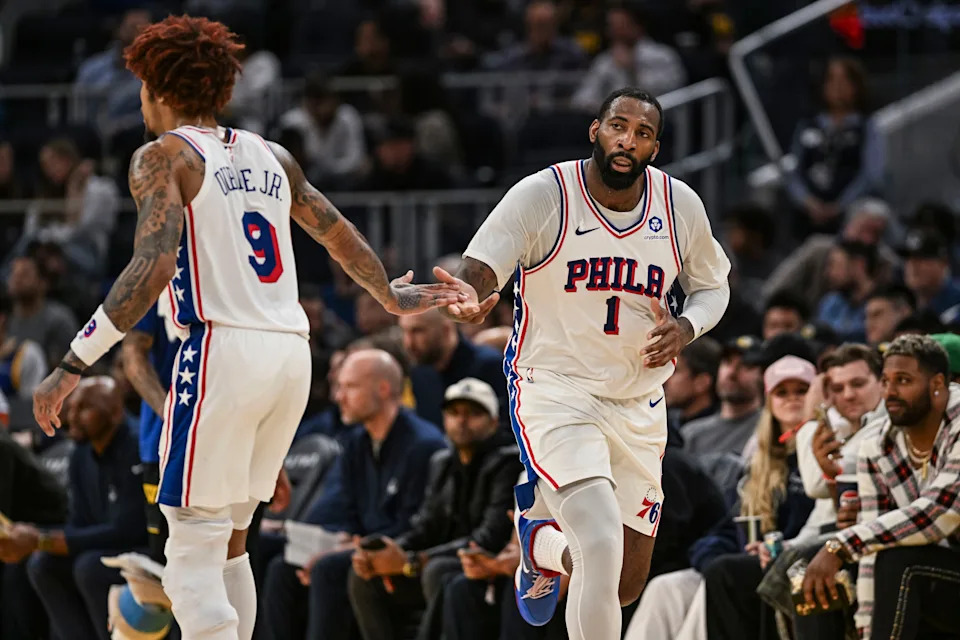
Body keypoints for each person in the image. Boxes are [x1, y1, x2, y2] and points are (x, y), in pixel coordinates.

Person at [30, 15, 463, 640]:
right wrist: (387, 296)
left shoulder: (163, 156)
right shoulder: (273, 155)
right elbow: (334, 230)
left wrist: (72, 363)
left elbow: (150, 269)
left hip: (221, 350)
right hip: (290, 355)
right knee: (231, 541)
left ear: (158, 88)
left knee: (188, 550)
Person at [433, 87, 731, 639]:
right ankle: (553, 541)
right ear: (595, 130)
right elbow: (480, 267)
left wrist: (687, 326)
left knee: (622, 581)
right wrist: (470, 299)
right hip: (555, 387)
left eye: (642, 133)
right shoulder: (545, 194)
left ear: (655, 148)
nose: (628, 140)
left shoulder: (679, 204)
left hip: (637, 399)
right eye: (619, 126)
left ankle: (541, 544)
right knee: (597, 541)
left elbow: (715, 287)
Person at [262, 349, 445, 640]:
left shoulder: (425, 446)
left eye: (350, 387)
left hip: (395, 553)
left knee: (327, 568)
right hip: (355, 545)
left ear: (383, 389)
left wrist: (351, 545)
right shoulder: (356, 442)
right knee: (280, 563)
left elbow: (418, 526)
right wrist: (327, 536)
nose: (338, 397)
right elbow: (342, 508)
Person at [803, 334, 960, 639]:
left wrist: (840, 544)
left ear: (937, 384)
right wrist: (866, 624)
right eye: (886, 381)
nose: (891, 392)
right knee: (814, 568)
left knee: (901, 562)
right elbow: (873, 543)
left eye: (903, 380)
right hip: (943, 572)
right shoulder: (876, 445)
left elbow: (940, 511)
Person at [347, 377, 522, 640]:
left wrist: (413, 561)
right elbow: (424, 526)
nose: (461, 420)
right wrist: (389, 550)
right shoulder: (441, 462)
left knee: (437, 572)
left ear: (494, 422)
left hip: (480, 568)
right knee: (363, 574)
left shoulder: (507, 463)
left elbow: (488, 538)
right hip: (433, 564)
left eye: (473, 413)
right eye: (454, 413)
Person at [7, 377, 147, 640]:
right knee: (43, 564)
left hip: (145, 551)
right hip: (106, 549)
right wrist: (40, 541)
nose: (73, 416)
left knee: (89, 568)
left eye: (85, 408)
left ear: (116, 413)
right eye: (72, 408)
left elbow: (128, 530)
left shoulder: (137, 446)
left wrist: (41, 539)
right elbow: (79, 523)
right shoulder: (80, 453)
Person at [399, 308, 507, 428]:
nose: (409, 343)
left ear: (446, 329)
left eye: (418, 331)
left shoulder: (489, 366)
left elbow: (509, 427)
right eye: (404, 331)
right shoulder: (420, 373)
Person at [663, 336, 721, 430]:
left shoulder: (715, 434)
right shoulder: (666, 421)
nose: (664, 380)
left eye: (674, 371)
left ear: (702, 383)